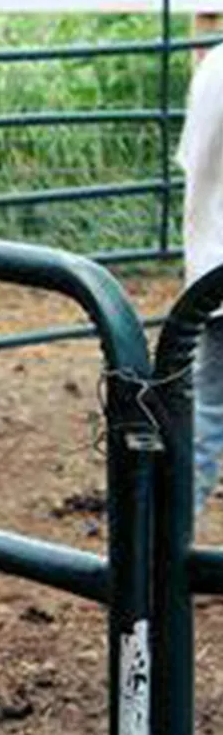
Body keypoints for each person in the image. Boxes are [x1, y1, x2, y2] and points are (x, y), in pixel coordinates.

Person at [175, 41, 223, 516]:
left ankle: (162, 553)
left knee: (206, 415)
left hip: (209, 268)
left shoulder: (213, 64)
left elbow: (190, 160)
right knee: (208, 420)